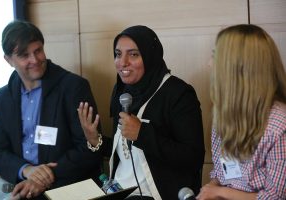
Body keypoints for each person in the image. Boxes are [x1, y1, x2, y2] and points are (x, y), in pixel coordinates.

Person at [78, 25, 205, 200]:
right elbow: (127, 153)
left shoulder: (178, 93)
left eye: (133, 54)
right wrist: (95, 140)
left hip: (157, 194)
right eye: (118, 54)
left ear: (150, 56)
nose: (122, 62)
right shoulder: (122, 93)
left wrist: (143, 134)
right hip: (119, 191)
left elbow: (193, 158)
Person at [0, 20, 102, 200]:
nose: (35, 60)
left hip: (65, 182)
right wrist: (27, 171)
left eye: (38, 50)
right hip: (21, 180)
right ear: (8, 60)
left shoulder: (73, 87)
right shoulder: (3, 97)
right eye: (25, 55)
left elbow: (89, 148)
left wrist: (42, 178)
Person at [197, 24, 286, 200]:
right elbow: (222, 173)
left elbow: (274, 196)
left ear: (238, 68)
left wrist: (220, 192)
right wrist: (212, 187)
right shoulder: (221, 115)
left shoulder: (279, 124)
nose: (209, 64)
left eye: (215, 57)